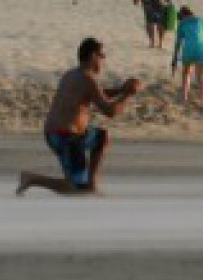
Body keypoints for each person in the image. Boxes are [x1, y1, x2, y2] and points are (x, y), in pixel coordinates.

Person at [16, 38, 141, 196]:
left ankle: (91, 181)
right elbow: (109, 111)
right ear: (93, 56)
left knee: (101, 137)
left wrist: (121, 89)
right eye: (102, 56)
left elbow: (97, 94)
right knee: (75, 189)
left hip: (66, 134)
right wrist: (127, 95)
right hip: (65, 137)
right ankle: (32, 179)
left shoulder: (73, 74)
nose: (103, 61)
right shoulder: (88, 80)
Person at [171, 5, 203, 109]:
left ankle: (184, 100)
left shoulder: (181, 24)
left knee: (186, 74)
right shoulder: (199, 20)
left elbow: (178, 43)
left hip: (188, 49)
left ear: (182, 16)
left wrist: (174, 58)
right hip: (201, 49)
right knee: (201, 75)